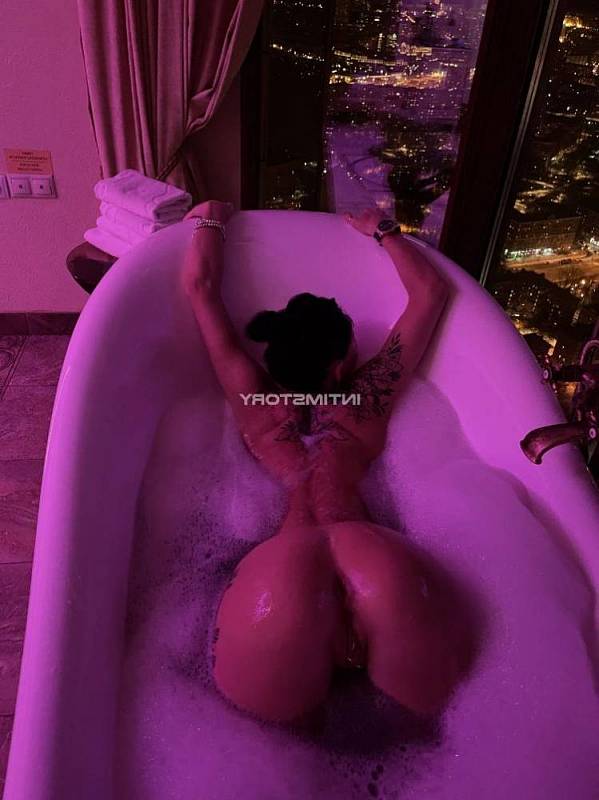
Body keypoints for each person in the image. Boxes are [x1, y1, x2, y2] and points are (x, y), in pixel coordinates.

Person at [181, 200, 472, 724]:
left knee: (278, 742)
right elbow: (431, 292)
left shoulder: (254, 403)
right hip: (377, 559)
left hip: (280, 573)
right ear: (340, 368)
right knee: (421, 734)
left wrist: (210, 217)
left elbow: (200, 287)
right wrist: (382, 230)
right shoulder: (366, 400)